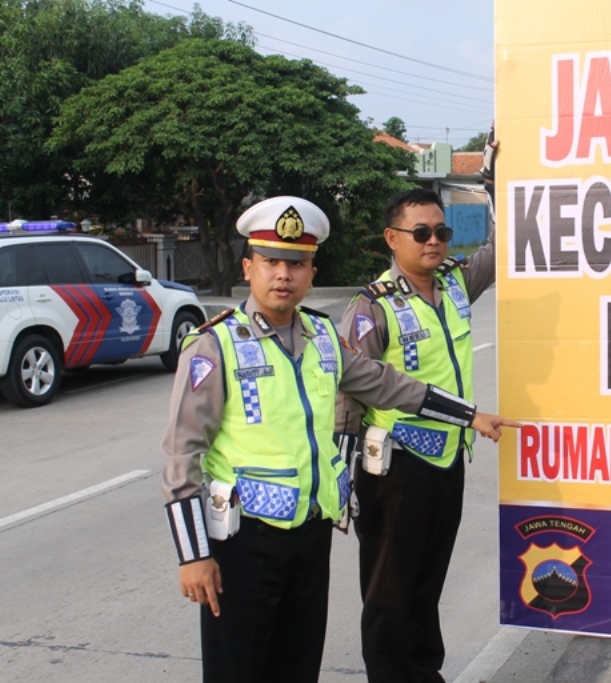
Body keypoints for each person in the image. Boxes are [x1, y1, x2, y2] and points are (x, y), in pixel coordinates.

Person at [161, 195, 516, 683]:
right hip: (246, 539)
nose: (283, 275)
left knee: (298, 666)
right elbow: (183, 452)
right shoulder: (214, 345)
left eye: (297, 264)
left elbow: (389, 386)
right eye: (271, 262)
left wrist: (469, 416)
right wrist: (194, 554)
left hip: (311, 536)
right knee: (239, 669)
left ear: (311, 272)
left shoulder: (324, 338)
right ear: (249, 267)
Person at [336, 131, 499, 683]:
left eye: (442, 232)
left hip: (446, 461)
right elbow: (351, 392)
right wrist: (343, 475)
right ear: (392, 238)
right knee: (389, 591)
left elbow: (502, 250)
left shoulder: (454, 284)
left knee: (427, 583)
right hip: (395, 470)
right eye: (422, 233)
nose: (434, 242)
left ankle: (423, 673)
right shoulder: (371, 307)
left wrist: (497, 181)